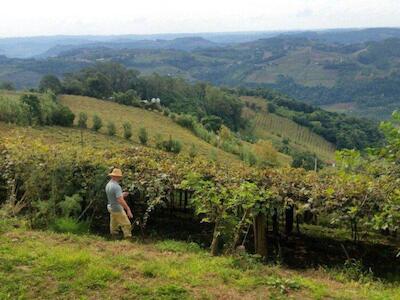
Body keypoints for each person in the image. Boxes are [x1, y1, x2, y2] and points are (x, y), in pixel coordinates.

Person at [105, 168, 133, 239]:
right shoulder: (117, 187)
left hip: (111, 207)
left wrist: (121, 194)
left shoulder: (108, 185)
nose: (119, 178)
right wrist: (128, 209)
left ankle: (114, 237)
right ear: (116, 177)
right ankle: (128, 239)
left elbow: (113, 196)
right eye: (118, 176)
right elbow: (120, 200)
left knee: (114, 223)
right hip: (117, 208)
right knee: (126, 224)